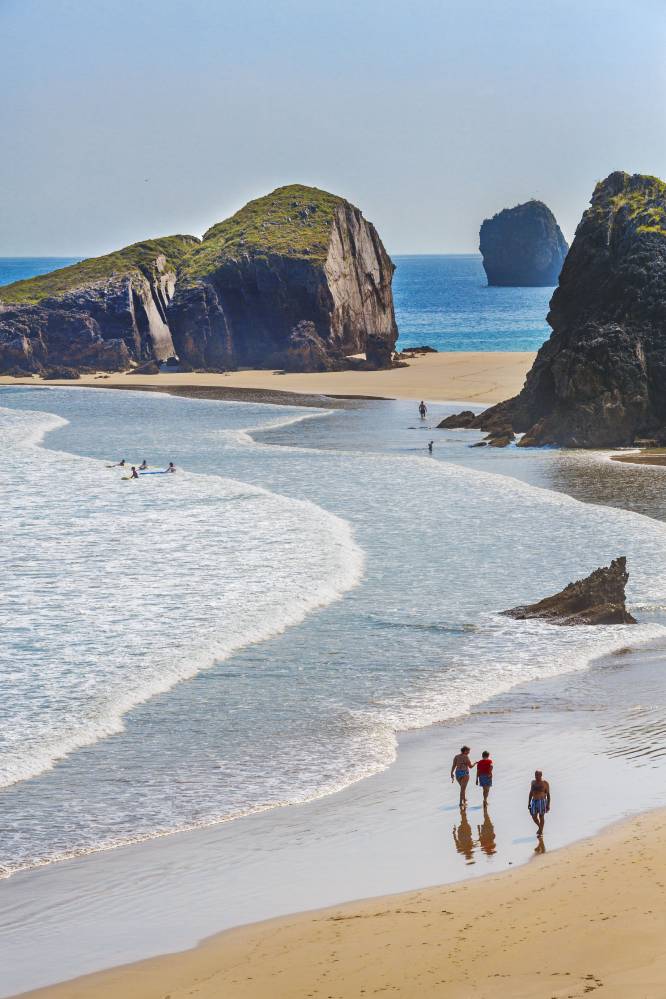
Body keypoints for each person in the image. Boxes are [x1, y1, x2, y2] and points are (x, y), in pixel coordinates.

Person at [528, 770, 551, 838]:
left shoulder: (545, 783)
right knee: (534, 816)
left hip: (542, 801)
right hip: (534, 801)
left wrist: (548, 805)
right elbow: (531, 793)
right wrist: (529, 803)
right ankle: (540, 828)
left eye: (537, 775)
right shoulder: (533, 782)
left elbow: (548, 795)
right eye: (535, 775)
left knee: (541, 816)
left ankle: (540, 831)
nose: (536, 776)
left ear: (541, 775)